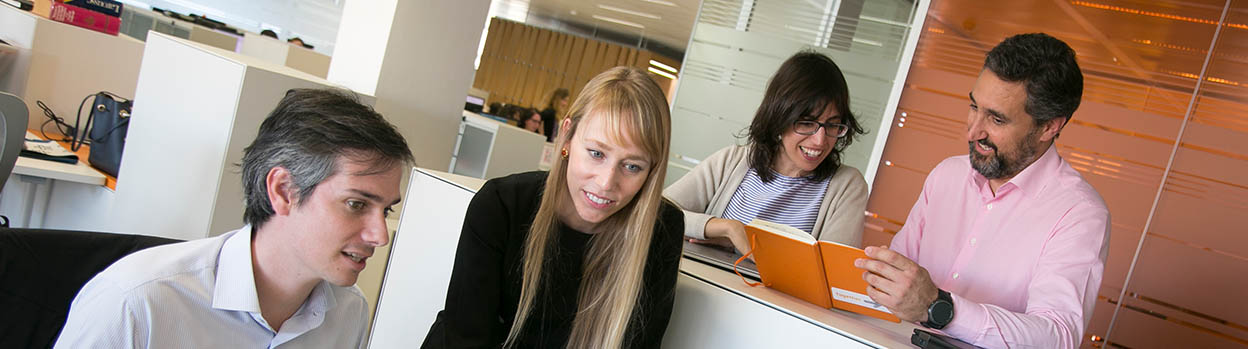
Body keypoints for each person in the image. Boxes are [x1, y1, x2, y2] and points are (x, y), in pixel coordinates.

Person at [55, 89, 414, 348]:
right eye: (356, 204)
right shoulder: (137, 301)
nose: (379, 235)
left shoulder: (348, 311)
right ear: (284, 190)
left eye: (386, 210)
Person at [855, 33, 1109, 348]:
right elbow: (895, 282)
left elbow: (1056, 337)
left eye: (997, 119)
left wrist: (940, 308)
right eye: (974, 106)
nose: (973, 130)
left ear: (1049, 127)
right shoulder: (948, 175)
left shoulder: (1080, 214)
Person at [423, 67, 682, 348]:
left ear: (652, 171)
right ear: (567, 136)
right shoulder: (501, 206)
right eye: (596, 153)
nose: (607, 183)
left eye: (632, 166)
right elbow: (466, 338)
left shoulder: (662, 230)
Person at [665, 51, 869, 255]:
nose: (820, 140)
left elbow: (830, 272)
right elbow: (657, 213)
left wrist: (742, 244)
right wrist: (728, 229)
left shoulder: (847, 186)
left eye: (833, 126)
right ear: (779, 118)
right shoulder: (732, 162)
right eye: (806, 123)